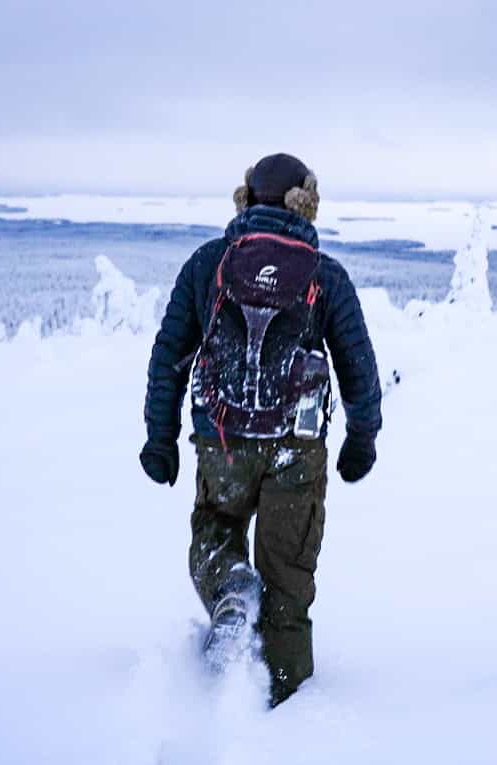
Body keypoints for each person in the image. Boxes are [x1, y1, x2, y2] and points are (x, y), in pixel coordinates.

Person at [139, 153, 382, 706]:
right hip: (296, 453)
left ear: (247, 198)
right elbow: (358, 367)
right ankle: (287, 712)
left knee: (216, 529)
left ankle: (230, 587)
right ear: (306, 203)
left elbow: (169, 354)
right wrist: (361, 438)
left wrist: (161, 437)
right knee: (289, 586)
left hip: (221, 444)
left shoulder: (209, 264)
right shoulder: (326, 275)